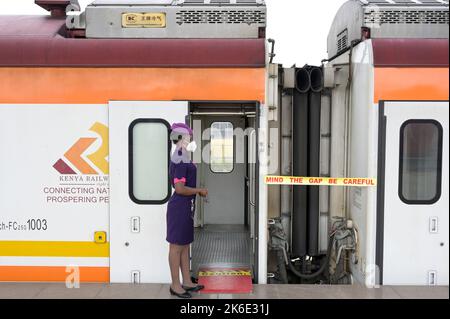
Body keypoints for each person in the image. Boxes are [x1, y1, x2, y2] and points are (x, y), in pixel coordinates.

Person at [167, 123, 208, 299]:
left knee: (184, 245)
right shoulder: (180, 156)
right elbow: (180, 188)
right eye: (188, 137)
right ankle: (176, 285)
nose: (191, 140)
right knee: (176, 247)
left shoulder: (182, 155)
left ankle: (187, 282)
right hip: (179, 207)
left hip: (186, 207)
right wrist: (199, 190)